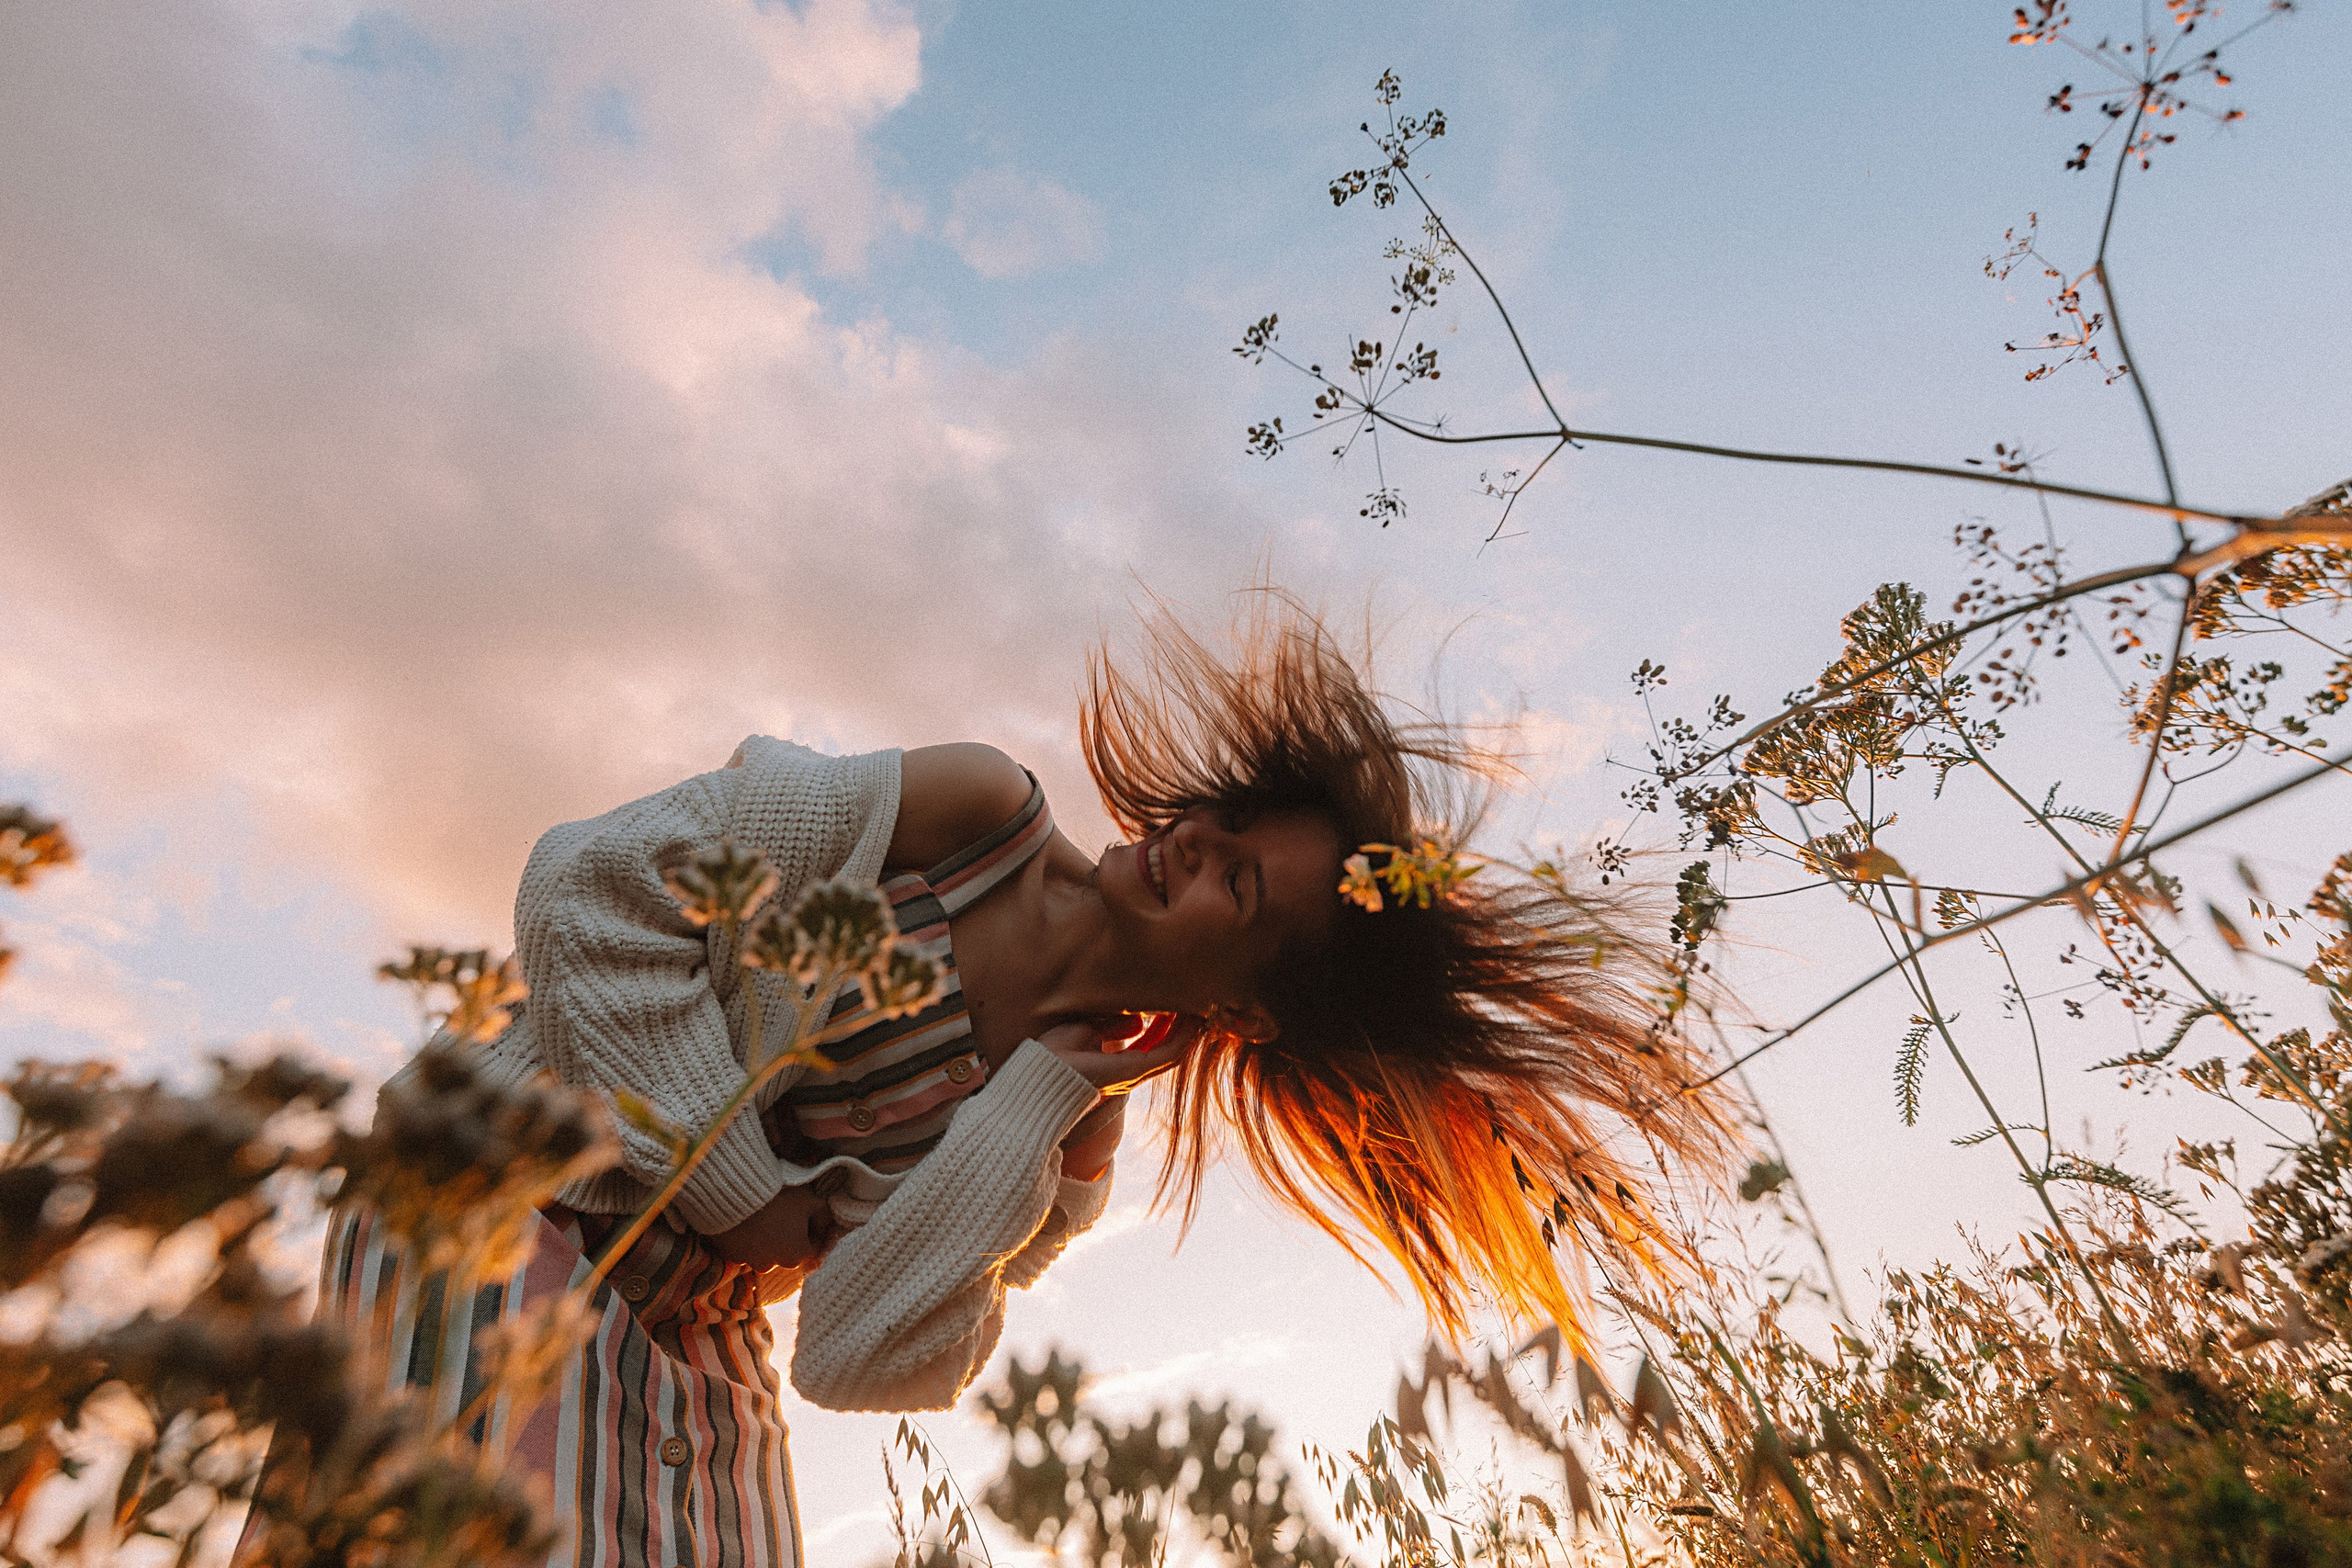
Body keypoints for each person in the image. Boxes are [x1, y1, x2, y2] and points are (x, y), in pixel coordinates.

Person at [303, 595, 1733, 1568]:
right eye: (1223, 822)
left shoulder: (1065, 1138)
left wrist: (1040, 1095)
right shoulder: (973, 817)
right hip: (510, 1186)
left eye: (1234, 882)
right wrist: (746, 1195)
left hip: (690, 1329)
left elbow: (859, 1356)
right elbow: (587, 887)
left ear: (1242, 1003)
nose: (1188, 843)